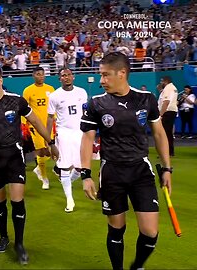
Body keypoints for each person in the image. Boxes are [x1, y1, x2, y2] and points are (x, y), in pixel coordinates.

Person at [80, 52, 172, 270]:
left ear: (122, 73)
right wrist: (86, 174)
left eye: (105, 75)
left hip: (141, 170)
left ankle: (137, 266)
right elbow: (87, 139)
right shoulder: (96, 104)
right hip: (112, 171)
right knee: (116, 229)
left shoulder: (145, 98)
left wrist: (167, 168)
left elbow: (159, 134)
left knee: (150, 232)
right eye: (100, 75)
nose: (101, 80)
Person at [0, 66, 58, 265]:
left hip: (14, 158)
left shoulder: (16, 100)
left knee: (17, 200)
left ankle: (19, 244)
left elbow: (35, 121)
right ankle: (3, 236)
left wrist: (50, 143)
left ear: (0, 81)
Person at [46, 68, 88, 213]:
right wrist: (48, 138)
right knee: (64, 167)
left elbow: (86, 113)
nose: (66, 77)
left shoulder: (82, 92)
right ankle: (70, 200)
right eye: (63, 75)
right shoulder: (54, 96)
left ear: (73, 77)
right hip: (64, 133)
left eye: (69, 75)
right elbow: (50, 117)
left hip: (80, 132)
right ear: (60, 79)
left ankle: (67, 181)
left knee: (80, 167)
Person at [22, 66, 55, 189]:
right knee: (40, 150)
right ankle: (45, 179)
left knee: (50, 150)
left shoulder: (50, 89)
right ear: (33, 75)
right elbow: (23, 108)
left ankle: (38, 168)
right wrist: (24, 124)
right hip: (35, 125)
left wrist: (56, 119)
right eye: (38, 74)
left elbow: (54, 106)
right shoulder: (28, 90)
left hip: (49, 124)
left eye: (42, 74)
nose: (40, 76)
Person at [158, 76, 178, 156]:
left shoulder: (168, 88)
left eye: (161, 81)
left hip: (167, 112)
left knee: (165, 133)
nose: (160, 83)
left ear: (165, 81)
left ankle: (166, 151)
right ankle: (170, 151)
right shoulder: (172, 88)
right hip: (170, 112)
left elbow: (166, 102)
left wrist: (161, 115)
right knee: (168, 133)